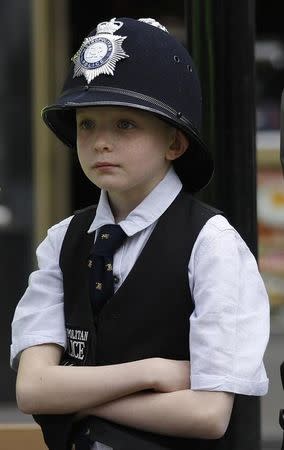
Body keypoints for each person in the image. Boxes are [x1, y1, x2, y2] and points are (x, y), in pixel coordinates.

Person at [11, 17, 269, 450]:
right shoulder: (62, 241)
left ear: (175, 143)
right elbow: (32, 390)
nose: (100, 142)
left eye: (125, 124)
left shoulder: (212, 243)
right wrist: (150, 372)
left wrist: (80, 401)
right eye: (86, 123)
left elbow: (208, 414)